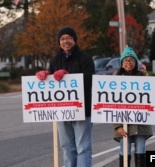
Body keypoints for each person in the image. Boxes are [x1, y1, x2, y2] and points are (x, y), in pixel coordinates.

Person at [35, 26, 95, 167]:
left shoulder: (85, 58)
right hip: (62, 112)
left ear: (74, 40)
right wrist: (44, 76)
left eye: (69, 38)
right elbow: (51, 80)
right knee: (67, 147)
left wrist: (68, 76)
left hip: (82, 110)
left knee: (83, 147)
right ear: (59, 42)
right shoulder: (55, 59)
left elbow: (90, 80)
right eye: (62, 39)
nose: (65, 41)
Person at [113, 47, 153, 167]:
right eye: (125, 60)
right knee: (124, 151)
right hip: (123, 124)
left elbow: (149, 102)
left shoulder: (143, 79)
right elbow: (112, 107)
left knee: (141, 150)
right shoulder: (115, 81)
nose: (128, 63)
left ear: (135, 63)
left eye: (131, 60)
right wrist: (118, 126)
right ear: (121, 63)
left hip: (141, 124)